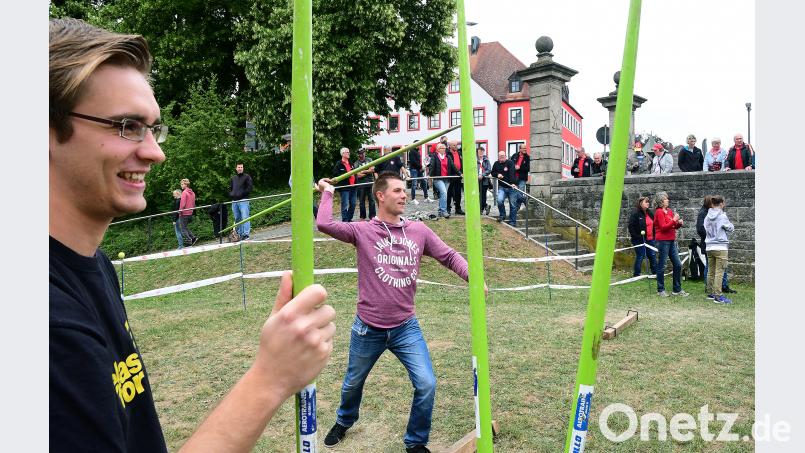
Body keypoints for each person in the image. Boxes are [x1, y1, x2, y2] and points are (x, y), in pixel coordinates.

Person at [49, 18, 336, 452]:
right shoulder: (48, 323)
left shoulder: (93, 266)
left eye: (153, 129)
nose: (155, 152)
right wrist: (271, 377)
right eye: (127, 126)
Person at [315, 172, 474, 453]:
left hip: (405, 327)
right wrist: (327, 191)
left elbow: (448, 256)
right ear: (380, 195)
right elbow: (324, 223)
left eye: (405, 190)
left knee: (426, 383)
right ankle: (344, 420)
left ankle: (415, 442)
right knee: (353, 383)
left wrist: (472, 276)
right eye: (398, 190)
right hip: (368, 328)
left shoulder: (419, 231)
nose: (404, 195)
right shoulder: (363, 231)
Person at [696, 196, 735, 295]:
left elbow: (705, 228)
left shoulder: (707, 216)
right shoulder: (722, 216)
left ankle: (710, 293)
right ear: (721, 203)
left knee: (710, 271)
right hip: (720, 246)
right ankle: (718, 295)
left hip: (709, 246)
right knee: (719, 272)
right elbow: (730, 228)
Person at [653, 191, 689, 297]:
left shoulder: (669, 211)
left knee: (678, 264)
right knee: (662, 265)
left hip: (671, 240)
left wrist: (678, 223)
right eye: (666, 199)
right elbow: (663, 227)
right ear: (661, 201)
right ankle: (660, 290)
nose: (668, 200)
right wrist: (674, 220)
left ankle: (677, 289)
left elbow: (672, 226)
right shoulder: (659, 212)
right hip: (662, 241)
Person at [427, 142, 459, 219]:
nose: (443, 149)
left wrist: (459, 173)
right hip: (438, 178)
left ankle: (440, 211)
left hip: (446, 179)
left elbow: (453, 166)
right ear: (438, 149)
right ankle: (443, 211)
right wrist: (430, 175)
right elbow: (432, 166)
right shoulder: (434, 156)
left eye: (444, 148)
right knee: (444, 192)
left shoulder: (448, 157)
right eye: (441, 148)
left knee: (443, 194)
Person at [627, 196, 657, 277]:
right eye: (646, 202)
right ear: (641, 203)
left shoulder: (649, 212)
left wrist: (654, 235)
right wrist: (637, 236)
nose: (648, 203)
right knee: (640, 255)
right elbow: (631, 226)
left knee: (652, 255)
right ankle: (637, 274)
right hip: (639, 240)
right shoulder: (635, 213)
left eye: (648, 202)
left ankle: (655, 272)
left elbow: (654, 224)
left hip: (650, 239)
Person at [491, 151, 518, 225]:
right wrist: (497, 174)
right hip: (502, 187)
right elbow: (493, 172)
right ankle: (502, 215)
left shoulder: (510, 162)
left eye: (503, 156)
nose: (502, 157)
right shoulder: (496, 163)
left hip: (511, 187)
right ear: (498, 157)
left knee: (513, 205)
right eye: (500, 156)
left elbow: (512, 173)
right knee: (499, 200)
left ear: (506, 156)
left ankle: (512, 221)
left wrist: (512, 183)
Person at [332, 147, 358, 222]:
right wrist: (346, 175)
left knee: (353, 204)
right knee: (345, 205)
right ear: (342, 154)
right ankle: (345, 220)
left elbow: (355, 173)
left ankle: (349, 219)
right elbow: (335, 174)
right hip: (345, 187)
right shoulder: (339, 164)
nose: (349, 153)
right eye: (347, 152)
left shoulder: (351, 163)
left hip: (353, 186)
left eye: (349, 152)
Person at [229, 163, 253, 240]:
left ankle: (246, 234)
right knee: (237, 218)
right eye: (239, 167)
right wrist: (231, 194)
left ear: (243, 168)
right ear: (236, 168)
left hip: (243, 200)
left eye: (241, 167)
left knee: (245, 217)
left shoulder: (247, 177)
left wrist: (242, 194)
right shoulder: (233, 178)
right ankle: (239, 234)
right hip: (234, 201)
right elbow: (230, 188)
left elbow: (249, 187)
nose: (240, 168)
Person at [354, 148, 376, 220]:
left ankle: (372, 216)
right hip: (361, 184)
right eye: (361, 153)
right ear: (358, 154)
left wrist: (363, 171)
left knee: (372, 200)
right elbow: (358, 175)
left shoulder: (369, 160)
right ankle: (362, 217)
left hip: (370, 182)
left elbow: (372, 170)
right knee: (361, 201)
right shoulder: (356, 163)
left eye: (363, 153)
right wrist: (368, 171)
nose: (363, 154)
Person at [178, 178, 198, 246]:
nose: (181, 185)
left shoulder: (184, 193)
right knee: (185, 227)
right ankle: (193, 238)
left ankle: (189, 241)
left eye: (182, 184)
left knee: (183, 229)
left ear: (186, 185)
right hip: (190, 212)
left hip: (184, 213)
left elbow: (182, 204)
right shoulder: (192, 193)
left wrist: (180, 212)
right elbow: (193, 203)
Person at [447, 140, 464, 215]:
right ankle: (448, 208)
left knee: (458, 193)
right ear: (450, 146)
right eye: (454, 145)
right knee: (449, 193)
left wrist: (461, 172)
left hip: (458, 175)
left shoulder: (459, 153)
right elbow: (451, 165)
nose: (456, 146)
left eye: (456, 145)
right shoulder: (447, 153)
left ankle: (458, 208)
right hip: (451, 175)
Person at [513, 143, 530, 210]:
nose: (525, 149)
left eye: (525, 148)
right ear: (520, 149)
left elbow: (528, 168)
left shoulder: (527, 157)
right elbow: (510, 164)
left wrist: (519, 168)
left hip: (522, 178)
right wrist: (514, 166)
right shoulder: (514, 155)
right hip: (514, 178)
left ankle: (517, 208)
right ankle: (525, 199)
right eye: (523, 148)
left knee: (520, 193)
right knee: (515, 193)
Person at [476, 146, 492, 216]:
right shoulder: (474, 159)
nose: (481, 153)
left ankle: (481, 209)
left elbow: (489, 169)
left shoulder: (486, 160)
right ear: (477, 152)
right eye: (479, 152)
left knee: (483, 195)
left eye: (482, 152)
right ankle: (485, 206)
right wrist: (476, 175)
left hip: (484, 180)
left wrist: (482, 175)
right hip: (476, 180)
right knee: (477, 195)